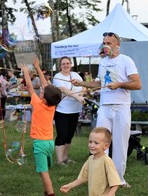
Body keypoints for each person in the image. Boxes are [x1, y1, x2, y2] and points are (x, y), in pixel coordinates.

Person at [71, 32, 142, 187]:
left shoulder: (126, 60)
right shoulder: (102, 62)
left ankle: (119, 180)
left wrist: (119, 84)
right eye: (104, 42)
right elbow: (98, 83)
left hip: (121, 107)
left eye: (109, 43)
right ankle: (101, 176)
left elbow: (137, 84)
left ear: (117, 45)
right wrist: (81, 83)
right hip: (105, 107)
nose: (106, 45)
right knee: (100, 141)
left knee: (120, 144)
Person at [18, 58, 62, 196]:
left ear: (44, 98)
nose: (41, 91)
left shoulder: (37, 103)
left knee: (44, 173)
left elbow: (30, 87)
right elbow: (45, 86)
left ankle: (50, 194)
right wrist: (37, 68)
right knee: (43, 171)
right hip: (49, 142)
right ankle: (46, 192)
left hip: (41, 144)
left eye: (42, 92)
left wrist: (25, 72)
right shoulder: (52, 106)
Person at [60, 127, 121, 196]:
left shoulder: (106, 161)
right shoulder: (90, 159)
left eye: (96, 143)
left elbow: (115, 183)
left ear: (106, 146)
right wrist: (70, 186)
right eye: (90, 142)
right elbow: (82, 178)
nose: (92, 145)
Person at [53, 56, 85, 166]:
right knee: (62, 134)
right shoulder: (57, 76)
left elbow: (83, 86)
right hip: (62, 111)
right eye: (63, 64)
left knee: (69, 135)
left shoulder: (76, 75)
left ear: (71, 64)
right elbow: (64, 90)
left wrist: (82, 93)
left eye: (68, 63)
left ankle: (65, 158)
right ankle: (59, 160)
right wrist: (78, 97)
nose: (66, 65)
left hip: (74, 110)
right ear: (60, 66)